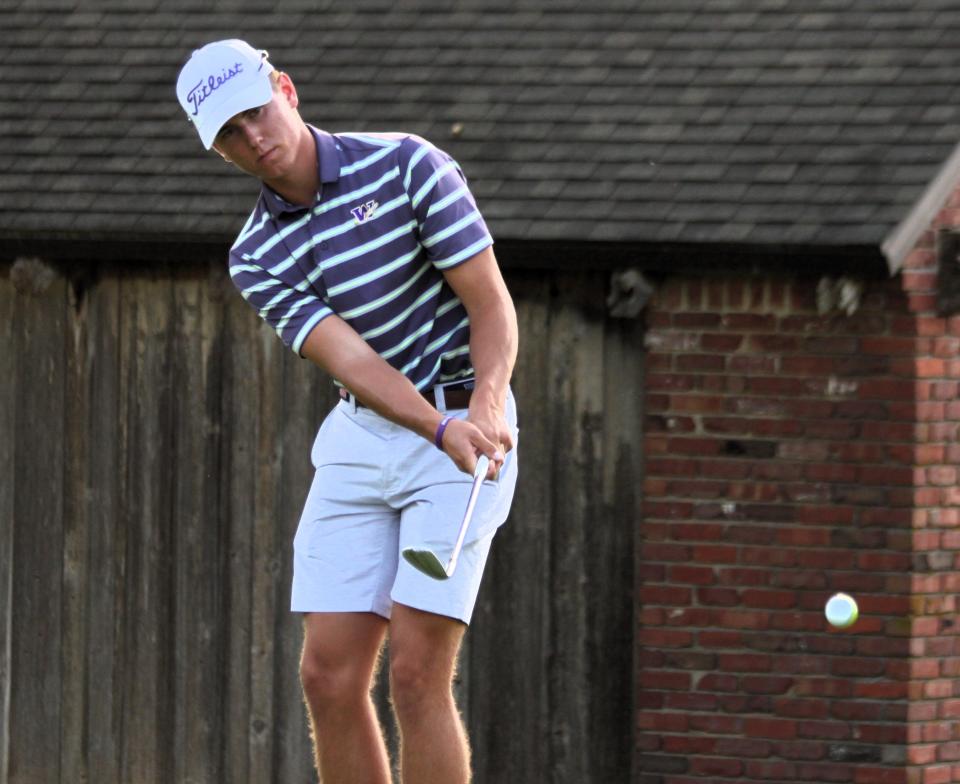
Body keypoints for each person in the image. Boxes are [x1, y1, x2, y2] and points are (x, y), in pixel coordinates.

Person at [176, 40, 519, 784]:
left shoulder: (408, 166)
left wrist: (485, 405)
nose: (253, 139)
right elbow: (354, 363)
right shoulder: (256, 256)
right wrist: (434, 425)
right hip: (369, 435)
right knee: (327, 678)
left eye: (255, 113)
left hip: (468, 424)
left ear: (286, 89)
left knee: (417, 675)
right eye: (229, 135)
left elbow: (490, 304)